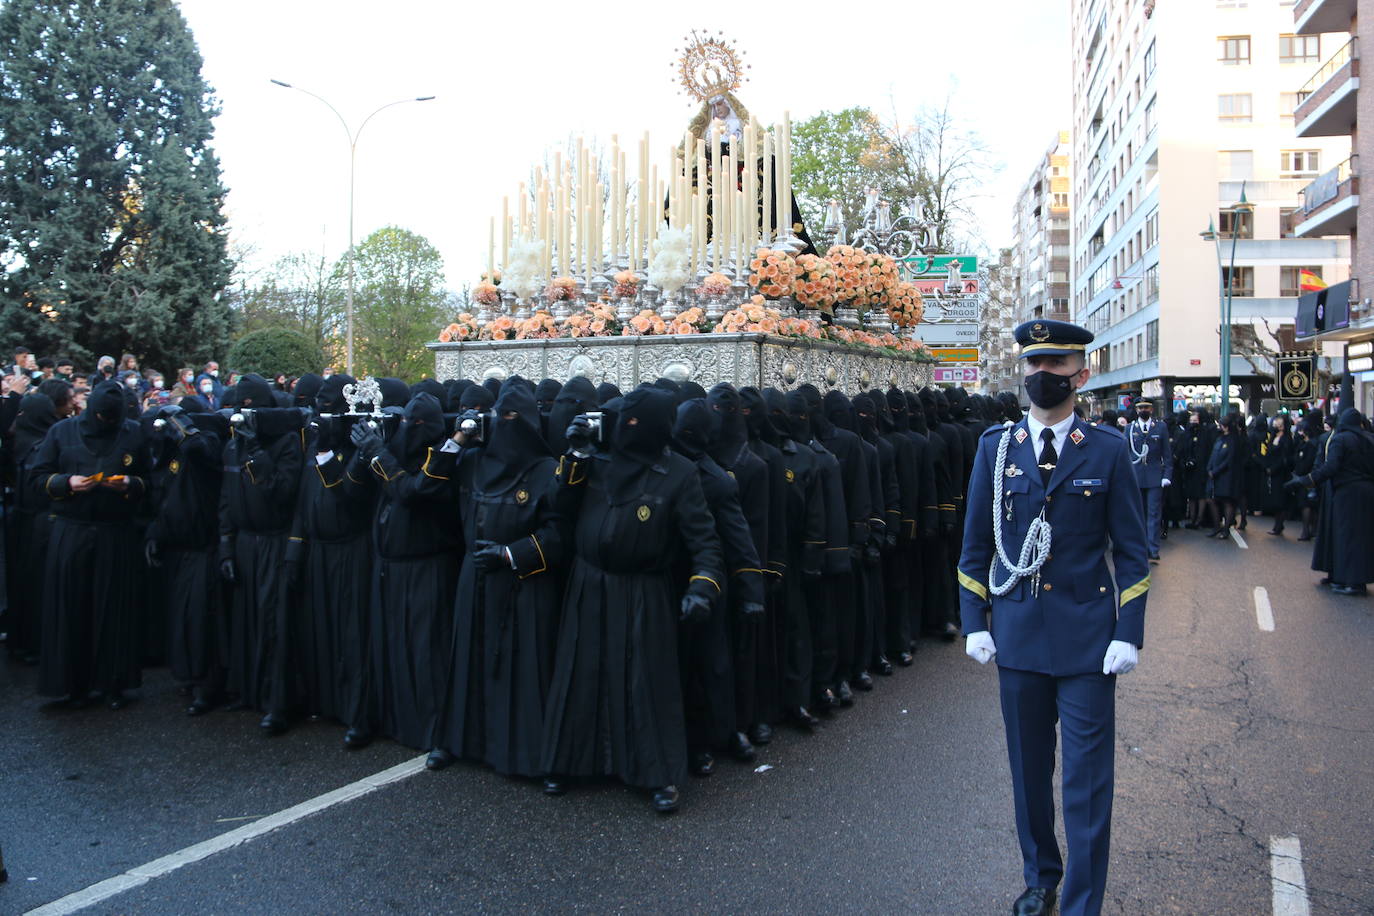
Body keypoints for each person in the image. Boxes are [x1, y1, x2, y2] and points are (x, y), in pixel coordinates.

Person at [958, 319, 1149, 916]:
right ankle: (1041, 877)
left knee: (1086, 786)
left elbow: (1134, 551)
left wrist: (1128, 632)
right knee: (1028, 776)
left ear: (1081, 375)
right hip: (1016, 635)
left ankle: (1082, 903)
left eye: (1056, 367)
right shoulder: (996, 448)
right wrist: (975, 620)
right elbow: (974, 547)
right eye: (1035, 366)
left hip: (1088, 641)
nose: (1043, 376)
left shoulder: (1109, 451)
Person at [541, 386, 723, 813]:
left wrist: (702, 586)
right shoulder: (597, 460)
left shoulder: (677, 472)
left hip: (643, 591)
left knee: (646, 683)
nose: (628, 430)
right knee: (582, 675)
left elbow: (705, 540)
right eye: (625, 421)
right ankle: (568, 761)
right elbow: (559, 507)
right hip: (589, 586)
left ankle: (657, 773)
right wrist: (575, 456)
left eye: (638, 424)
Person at [434, 377, 565, 777]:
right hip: (475, 580)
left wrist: (512, 554)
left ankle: (524, 754)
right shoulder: (474, 461)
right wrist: (457, 439)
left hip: (521, 585)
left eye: (513, 416)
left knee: (520, 670)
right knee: (468, 664)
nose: (504, 423)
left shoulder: (546, 470)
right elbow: (431, 487)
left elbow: (559, 534)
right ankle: (459, 741)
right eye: (499, 415)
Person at [31, 380, 153, 709]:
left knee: (114, 609)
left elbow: (149, 480)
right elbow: (37, 477)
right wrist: (64, 482)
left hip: (115, 532)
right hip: (73, 528)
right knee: (72, 607)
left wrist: (130, 484)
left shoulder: (132, 433)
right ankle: (72, 683)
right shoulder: (62, 432)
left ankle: (113, 681)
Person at [218, 373, 305, 734]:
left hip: (272, 540)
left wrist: (257, 452)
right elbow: (225, 498)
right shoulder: (232, 445)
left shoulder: (285, 444)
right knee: (246, 619)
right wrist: (225, 546)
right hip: (244, 542)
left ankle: (276, 702)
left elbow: (283, 492)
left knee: (273, 623)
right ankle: (248, 690)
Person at [145, 398, 226, 715]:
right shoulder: (172, 454)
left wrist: (182, 423)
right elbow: (163, 496)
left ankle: (208, 684)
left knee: (201, 621)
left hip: (203, 548)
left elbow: (200, 449)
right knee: (181, 619)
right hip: (178, 549)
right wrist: (156, 533)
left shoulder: (206, 445)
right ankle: (188, 675)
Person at [1289, 407, 1374, 595]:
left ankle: (1351, 581)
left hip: (1346, 492)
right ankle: (1353, 578)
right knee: (1361, 537)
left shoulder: (1340, 439)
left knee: (1346, 537)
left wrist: (1307, 480)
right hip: (1366, 492)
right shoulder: (1368, 439)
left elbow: (1331, 466)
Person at [1125, 398, 1172, 562]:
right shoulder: (1130, 429)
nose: (1143, 410)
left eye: (1146, 407)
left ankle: (1153, 548)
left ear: (1151, 410)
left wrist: (1167, 475)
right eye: (1140, 408)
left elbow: (1167, 454)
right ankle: (1140, 548)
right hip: (1136, 475)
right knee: (1138, 514)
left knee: (1153, 514)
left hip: (1154, 476)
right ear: (1136, 410)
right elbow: (1126, 455)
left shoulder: (1160, 427)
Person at [1262, 414, 1296, 536]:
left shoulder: (1287, 439)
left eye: (1280, 424)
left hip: (1281, 473)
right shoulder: (1273, 437)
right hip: (1272, 471)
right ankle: (1277, 524)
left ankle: (1278, 525)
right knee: (1274, 499)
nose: (1277, 426)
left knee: (1280, 500)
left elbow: (1285, 458)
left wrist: (1274, 468)